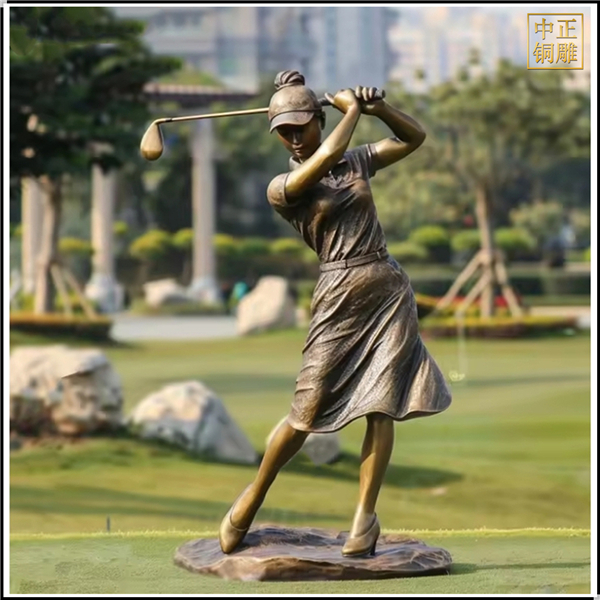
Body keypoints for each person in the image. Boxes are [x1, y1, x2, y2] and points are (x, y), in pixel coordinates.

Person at [219, 70, 452, 558]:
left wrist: (378, 108)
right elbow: (325, 156)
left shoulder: (357, 161)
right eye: (283, 130)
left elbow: (414, 137)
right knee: (304, 413)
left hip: (386, 289)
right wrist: (352, 112)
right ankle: (252, 498)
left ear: (318, 120)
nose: (293, 137)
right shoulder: (282, 187)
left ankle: (364, 520)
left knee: (381, 404)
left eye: (301, 125)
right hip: (337, 294)